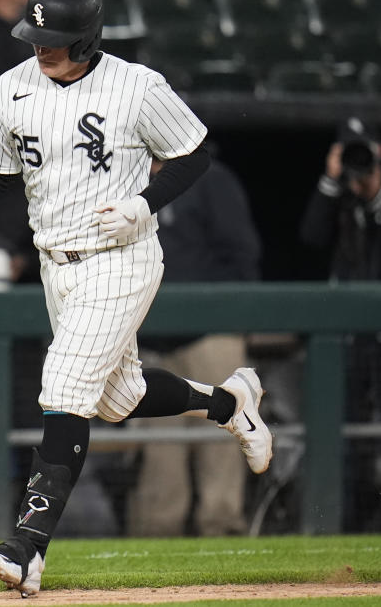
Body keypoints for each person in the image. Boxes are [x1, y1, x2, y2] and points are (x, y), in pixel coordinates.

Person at [0, 0, 273, 597]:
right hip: (57, 263)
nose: (40, 49)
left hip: (122, 256)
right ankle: (229, 403)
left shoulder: (137, 86)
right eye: (34, 37)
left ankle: (27, 545)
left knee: (62, 385)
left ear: (86, 38)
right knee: (116, 399)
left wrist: (144, 204)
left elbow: (194, 154)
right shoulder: (12, 86)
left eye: (52, 40)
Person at [299, 115, 381, 532]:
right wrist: (330, 180)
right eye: (348, 152)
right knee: (343, 426)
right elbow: (311, 238)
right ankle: (349, 516)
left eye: (364, 152)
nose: (358, 161)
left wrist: (376, 195)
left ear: (380, 153)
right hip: (345, 335)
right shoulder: (336, 194)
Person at [128, 153, 262, 537]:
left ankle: (222, 532)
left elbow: (242, 256)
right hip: (149, 338)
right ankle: (157, 538)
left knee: (221, 437)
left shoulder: (210, 177)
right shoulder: (122, 178)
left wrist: (222, 313)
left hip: (210, 333)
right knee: (159, 454)